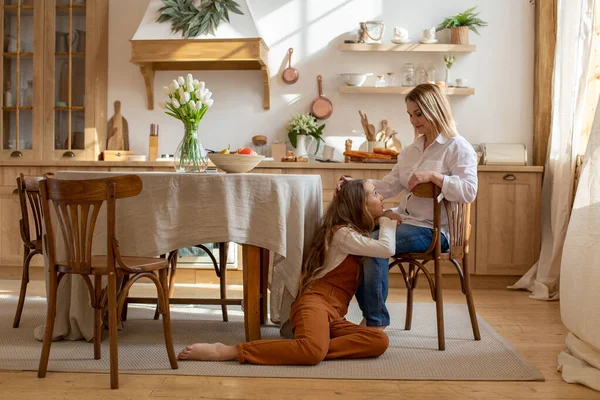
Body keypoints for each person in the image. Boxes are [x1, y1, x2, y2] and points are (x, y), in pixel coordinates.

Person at [177, 179, 396, 365]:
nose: (381, 197)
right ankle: (230, 351)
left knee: (378, 340)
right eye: (375, 194)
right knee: (312, 353)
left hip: (333, 316)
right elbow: (386, 249)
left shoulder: (354, 233)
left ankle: (314, 344)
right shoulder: (343, 235)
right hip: (314, 305)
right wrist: (387, 220)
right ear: (360, 204)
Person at [354, 83, 478, 330]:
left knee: (374, 245)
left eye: (419, 113)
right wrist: (356, 184)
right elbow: (389, 186)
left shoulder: (457, 146)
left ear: (435, 110)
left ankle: (374, 324)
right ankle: (369, 316)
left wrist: (436, 177)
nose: (413, 121)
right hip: (406, 222)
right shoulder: (411, 151)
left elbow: (469, 191)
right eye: (410, 114)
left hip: (435, 230)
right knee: (358, 240)